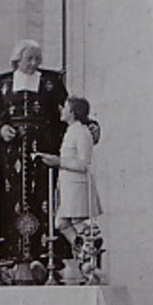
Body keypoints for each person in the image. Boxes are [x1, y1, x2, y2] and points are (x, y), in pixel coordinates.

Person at [0, 39, 68, 280]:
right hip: (12, 157)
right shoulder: (2, 84)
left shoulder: (51, 82)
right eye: (29, 58)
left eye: (37, 58)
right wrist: (1, 130)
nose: (34, 63)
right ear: (17, 59)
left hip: (43, 152)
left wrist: (87, 126)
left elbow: (67, 114)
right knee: (12, 201)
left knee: (45, 199)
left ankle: (44, 258)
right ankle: (15, 259)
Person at [38, 96, 101, 283]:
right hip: (68, 187)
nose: (61, 109)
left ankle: (90, 265)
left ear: (73, 112)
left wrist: (58, 162)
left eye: (65, 106)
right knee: (62, 224)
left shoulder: (82, 133)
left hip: (78, 188)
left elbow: (84, 164)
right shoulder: (71, 131)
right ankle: (84, 259)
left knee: (80, 228)